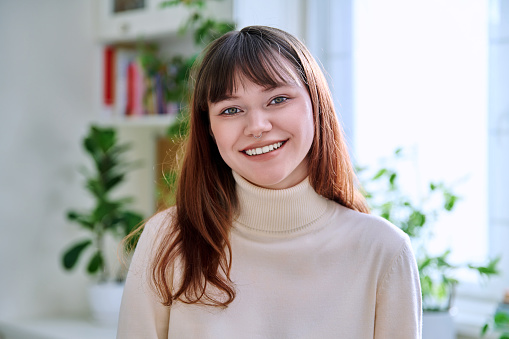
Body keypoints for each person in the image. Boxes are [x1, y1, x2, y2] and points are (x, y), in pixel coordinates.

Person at [117, 25, 422, 339]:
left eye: (277, 100)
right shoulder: (168, 241)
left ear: (316, 105)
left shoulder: (383, 251)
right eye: (231, 109)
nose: (257, 126)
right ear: (209, 128)